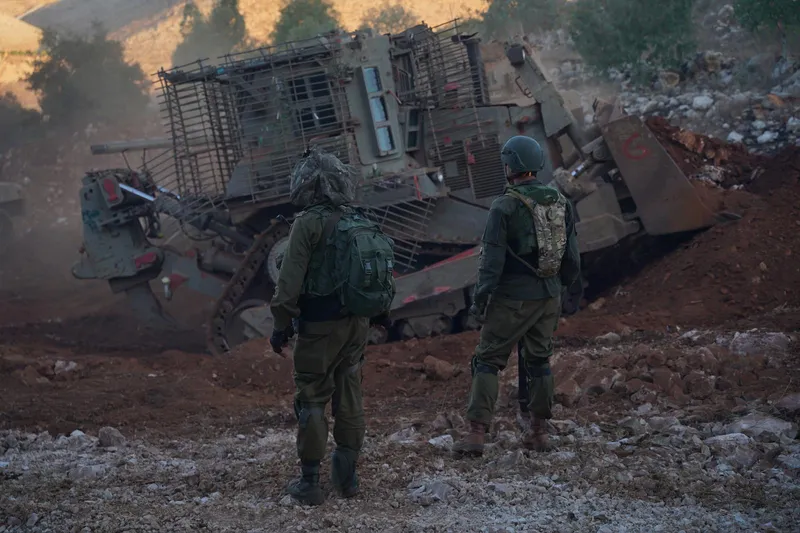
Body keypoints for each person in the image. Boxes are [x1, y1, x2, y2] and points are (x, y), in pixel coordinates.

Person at [453, 135, 581, 457]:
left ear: (509, 166)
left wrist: (480, 302)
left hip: (512, 298)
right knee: (539, 361)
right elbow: (572, 259)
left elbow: (491, 263)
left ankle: (476, 434)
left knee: (487, 360)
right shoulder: (560, 202)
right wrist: (558, 288)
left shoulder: (504, 206)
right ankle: (539, 431)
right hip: (549, 296)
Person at [269, 147, 382, 506]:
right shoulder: (357, 218)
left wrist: (281, 326)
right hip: (356, 323)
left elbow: (287, 285)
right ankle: (347, 480)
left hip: (319, 326)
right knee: (349, 394)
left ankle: (310, 483)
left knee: (313, 398)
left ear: (308, 184)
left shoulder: (307, 223)